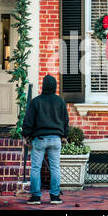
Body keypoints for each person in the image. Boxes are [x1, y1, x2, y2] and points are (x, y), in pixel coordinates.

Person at [22, 75, 69, 205]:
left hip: (39, 139)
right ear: (54, 86)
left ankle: (36, 197)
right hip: (56, 139)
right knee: (55, 168)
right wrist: (65, 135)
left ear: (43, 85)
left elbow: (28, 121)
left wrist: (26, 135)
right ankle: (55, 197)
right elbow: (66, 121)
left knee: (36, 168)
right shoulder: (60, 102)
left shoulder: (36, 102)